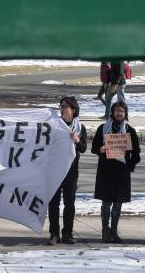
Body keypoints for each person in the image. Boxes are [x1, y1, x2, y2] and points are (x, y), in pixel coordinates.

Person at [91, 100, 140, 243]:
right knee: (106, 203)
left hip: (122, 171)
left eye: (122, 111)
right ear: (112, 112)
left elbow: (136, 153)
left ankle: (114, 231)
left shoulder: (130, 130)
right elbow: (94, 148)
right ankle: (105, 230)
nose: (119, 113)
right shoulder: (103, 128)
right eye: (117, 110)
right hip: (106, 170)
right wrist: (101, 149)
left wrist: (130, 165)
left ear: (125, 114)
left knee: (118, 203)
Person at [47, 96, 87, 245]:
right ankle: (54, 233)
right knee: (54, 203)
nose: (62, 109)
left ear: (73, 110)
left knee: (69, 204)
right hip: (55, 169)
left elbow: (83, 148)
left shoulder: (80, 127)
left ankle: (68, 233)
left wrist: (76, 139)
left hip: (71, 171)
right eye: (61, 106)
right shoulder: (55, 125)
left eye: (65, 106)